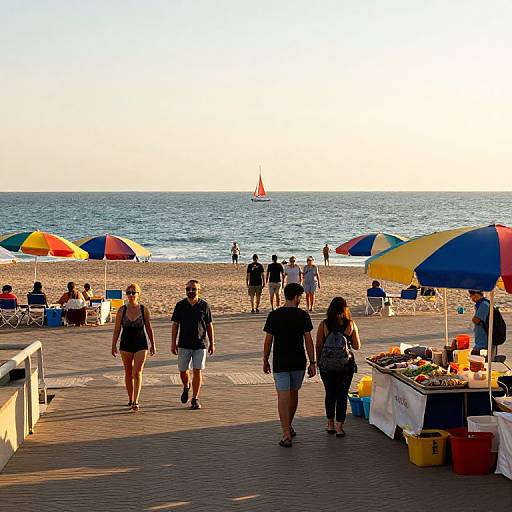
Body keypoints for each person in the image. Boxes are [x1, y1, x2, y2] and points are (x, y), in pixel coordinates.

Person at [263, 283, 316, 447]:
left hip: (280, 361)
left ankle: (286, 432)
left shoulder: (274, 315)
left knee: (283, 397)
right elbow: (308, 341)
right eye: (300, 297)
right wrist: (313, 362)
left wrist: (265, 359)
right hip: (298, 361)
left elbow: (268, 340)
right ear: (296, 297)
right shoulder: (303, 316)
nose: (300, 299)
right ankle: (288, 426)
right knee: (293, 395)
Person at [316, 297, 361, 437]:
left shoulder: (324, 324)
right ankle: (339, 427)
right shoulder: (350, 324)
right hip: (345, 366)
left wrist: (318, 362)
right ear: (345, 309)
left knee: (330, 394)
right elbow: (357, 346)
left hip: (327, 367)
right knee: (342, 395)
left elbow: (319, 345)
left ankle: (330, 425)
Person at [171, 280, 215, 410]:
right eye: (188, 289)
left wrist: (212, 343)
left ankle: (195, 398)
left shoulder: (204, 306)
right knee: (183, 371)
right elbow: (175, 325)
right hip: (183, 344)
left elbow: (209, 325)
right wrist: (173, 343)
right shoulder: (180, 305)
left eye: (193, 289)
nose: (191, 291)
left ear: (198, 290)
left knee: (197, 371)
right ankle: (186, 386)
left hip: (200, 344)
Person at [112, 283, 156, 411]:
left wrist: (153, 343)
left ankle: (136, 400)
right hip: (125, 344)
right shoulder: (122, 310)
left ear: (138, 294)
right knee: (128, 372)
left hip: (141, 343)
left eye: (133, 293)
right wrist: (113, 344)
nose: (131, 295)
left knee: (137, 372)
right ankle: (130, 398)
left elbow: (148, 327)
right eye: (128, 293)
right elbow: (117, 329)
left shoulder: (143, 309)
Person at [469, 290, 491, 355]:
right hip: (481, 342)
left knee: (474, 357)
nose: (471, 299)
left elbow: (476, 320)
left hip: (483, 344)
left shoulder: (484, 304)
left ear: (476, 294)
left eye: (471, 296)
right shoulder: (481, 304)